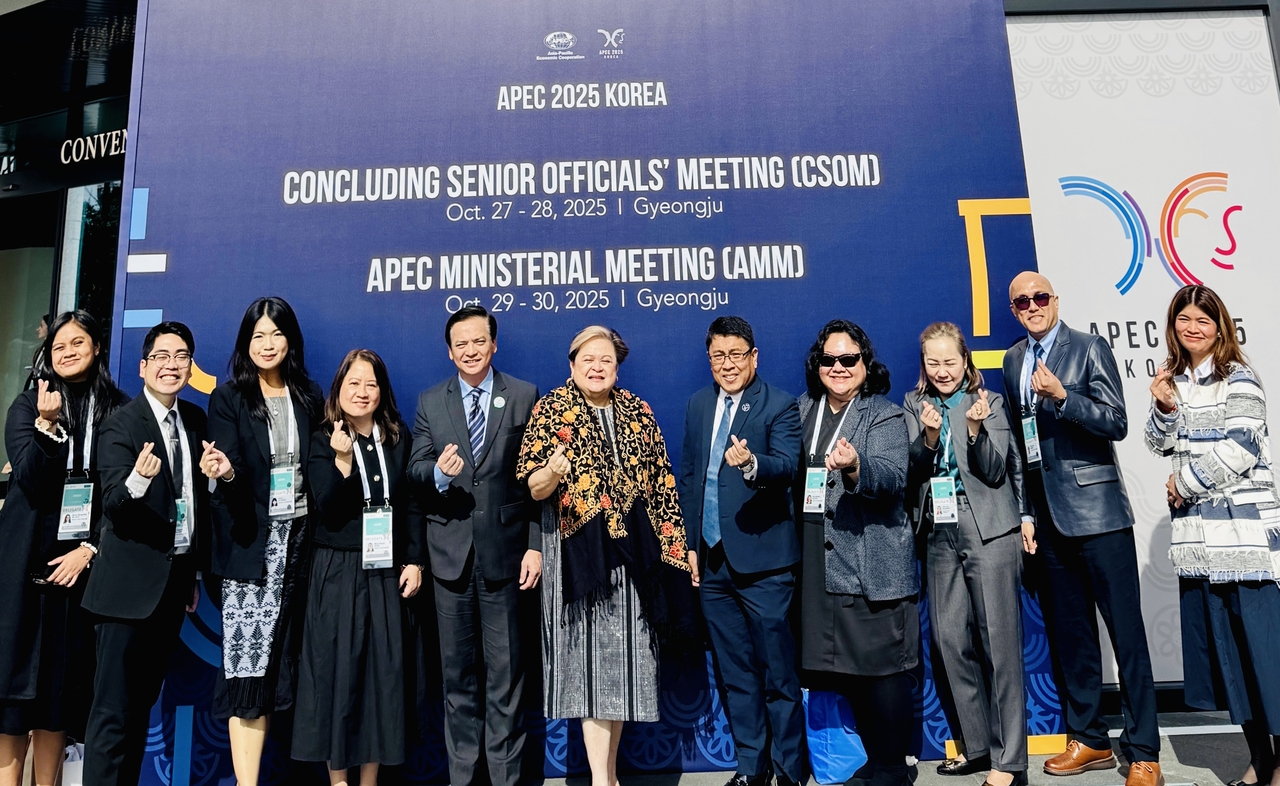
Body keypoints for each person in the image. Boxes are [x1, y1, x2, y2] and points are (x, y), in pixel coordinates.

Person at [1001, 271, 1161, 786]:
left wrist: (1063, 396)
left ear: (1054, 300)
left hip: (1100, 518)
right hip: (1046, 523)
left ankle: (1144, 752)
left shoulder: (1089, 348)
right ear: (1014, 310)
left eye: (1039, 297)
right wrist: (1026, 514)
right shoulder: (1011, 361)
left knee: (1127, 636)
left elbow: (1116, 421)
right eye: (1022, 301)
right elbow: (1023, 450)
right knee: (1071, 638)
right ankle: (1089, 738)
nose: (1032, 306)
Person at [518, 325, 695, 786]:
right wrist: (553, 472)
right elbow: (533, 487)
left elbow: (662, 485)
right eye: (588, 360)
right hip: (581, 558)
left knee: (621, 664)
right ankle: (601, 780)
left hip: (635, 557)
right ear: (571, 364)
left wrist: (676, 547)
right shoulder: (551, 408)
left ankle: (608, 775)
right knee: (591, 668)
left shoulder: (638, 411)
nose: (597, 368)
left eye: (607, 361)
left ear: (617, 367)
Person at [1145, 286, 1280, 786]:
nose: (1193, 327)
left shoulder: (1240, 379)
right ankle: (1259, 759)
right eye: (1184, 319)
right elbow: (1158, 444)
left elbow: (1242, 448)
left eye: (1204, 319)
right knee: (1232, 663)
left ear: (1221, 326)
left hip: (1244, 542)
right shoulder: (1175, 380)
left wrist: (1184, 482)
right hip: (1200, 545)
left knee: (1266, 657)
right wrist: (1162, 407)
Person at [406, 305, 540, 786]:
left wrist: (535, 544)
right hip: (450, 561)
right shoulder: (430, 402)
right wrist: (439, 471)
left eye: (478, 341)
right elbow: (416, 470)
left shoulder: (524, 396)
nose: (470, 350)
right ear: (449, 350)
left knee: (506, 679)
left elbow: (535, 482)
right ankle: (463, 778)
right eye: (460, 343)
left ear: (494, 344)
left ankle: (506, 779)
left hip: (506, 558)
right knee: (457, 678)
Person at [81, 321, 215, 786]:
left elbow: (197, 504)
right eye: (161, 356)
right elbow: (114, 507)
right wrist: (137, 479)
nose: (171, 365)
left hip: (173, 587)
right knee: (112, 715)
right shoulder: (120, 423)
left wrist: (193, 574)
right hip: (124, 594)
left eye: (181, 357)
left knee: (140, 713)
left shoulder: (196, 421)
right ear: (142, 367)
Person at [677, 315, 805, 786]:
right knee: (736, 676)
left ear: (754, 357)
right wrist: (691, 543)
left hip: (764, 562)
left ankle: (789, 771)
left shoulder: (779, 405)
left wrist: (752, 464)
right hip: (712, 562)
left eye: (736, 355)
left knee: (777, 675)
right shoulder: (697, 405)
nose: (727, 365)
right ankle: (752, 769)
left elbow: (788, 466)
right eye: (718, 356)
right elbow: (690, 478)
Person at [0, 311, 127, 786]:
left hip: (77, 572)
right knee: (13, 697)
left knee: (56, 697)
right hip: (21, 565)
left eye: (78, 342)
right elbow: (30, 478)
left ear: (96, 347)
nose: (68, 351)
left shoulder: (119, 411)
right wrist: (47, 426)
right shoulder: (26, 404)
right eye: (59, 346)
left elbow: (121, 495)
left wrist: (90, 548)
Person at [903, 322, 1029, 786]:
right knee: (949, 641)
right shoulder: (913, 405)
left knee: (998, 643)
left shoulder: (989, 402)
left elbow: (997, 471)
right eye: (933, 363)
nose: (941, 371)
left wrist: (974, 430)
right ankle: (977, 747)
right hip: (938, 531)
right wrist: (930, 439)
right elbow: (911, 471)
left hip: (990, 528)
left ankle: (1009, 762)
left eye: (949, 362)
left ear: (965, 360)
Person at [205, 297, 324, 785]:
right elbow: (227, 466)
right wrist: (226, 471)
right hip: (253, 548)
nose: (267, 344)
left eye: (276, 334)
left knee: (286, 667)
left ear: (290, 339)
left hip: (304, 543)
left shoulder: (310, 395)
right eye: (258, 336)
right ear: (245, 343)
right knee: (249, 671)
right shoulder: (230, 397)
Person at [293, 349, 424, 786]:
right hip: (337, 569)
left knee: (381, 677)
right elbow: (328, 508)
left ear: (382, 391)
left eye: (371, 384)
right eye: (354, 384)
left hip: (386, 570)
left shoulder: (397, 436)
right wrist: (342, 461)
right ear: (339, 389)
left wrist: (415, 560)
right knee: (337, 675)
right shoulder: (321, 438)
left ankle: (369, 780)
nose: (363, 392)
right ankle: (339, 781)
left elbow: (409, 505)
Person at [791, 320, 913, 786]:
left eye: (849, 359)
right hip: (817, 562)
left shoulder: (882, 414)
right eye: (829, 360)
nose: (839, 368)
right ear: (816, 364)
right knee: (845, 671)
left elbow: (891, 476)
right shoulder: (801, 410)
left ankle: (890, 768)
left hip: (869, 560)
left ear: (866, 363)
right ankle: (872, 761)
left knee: (881, 669)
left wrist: (857, 465)